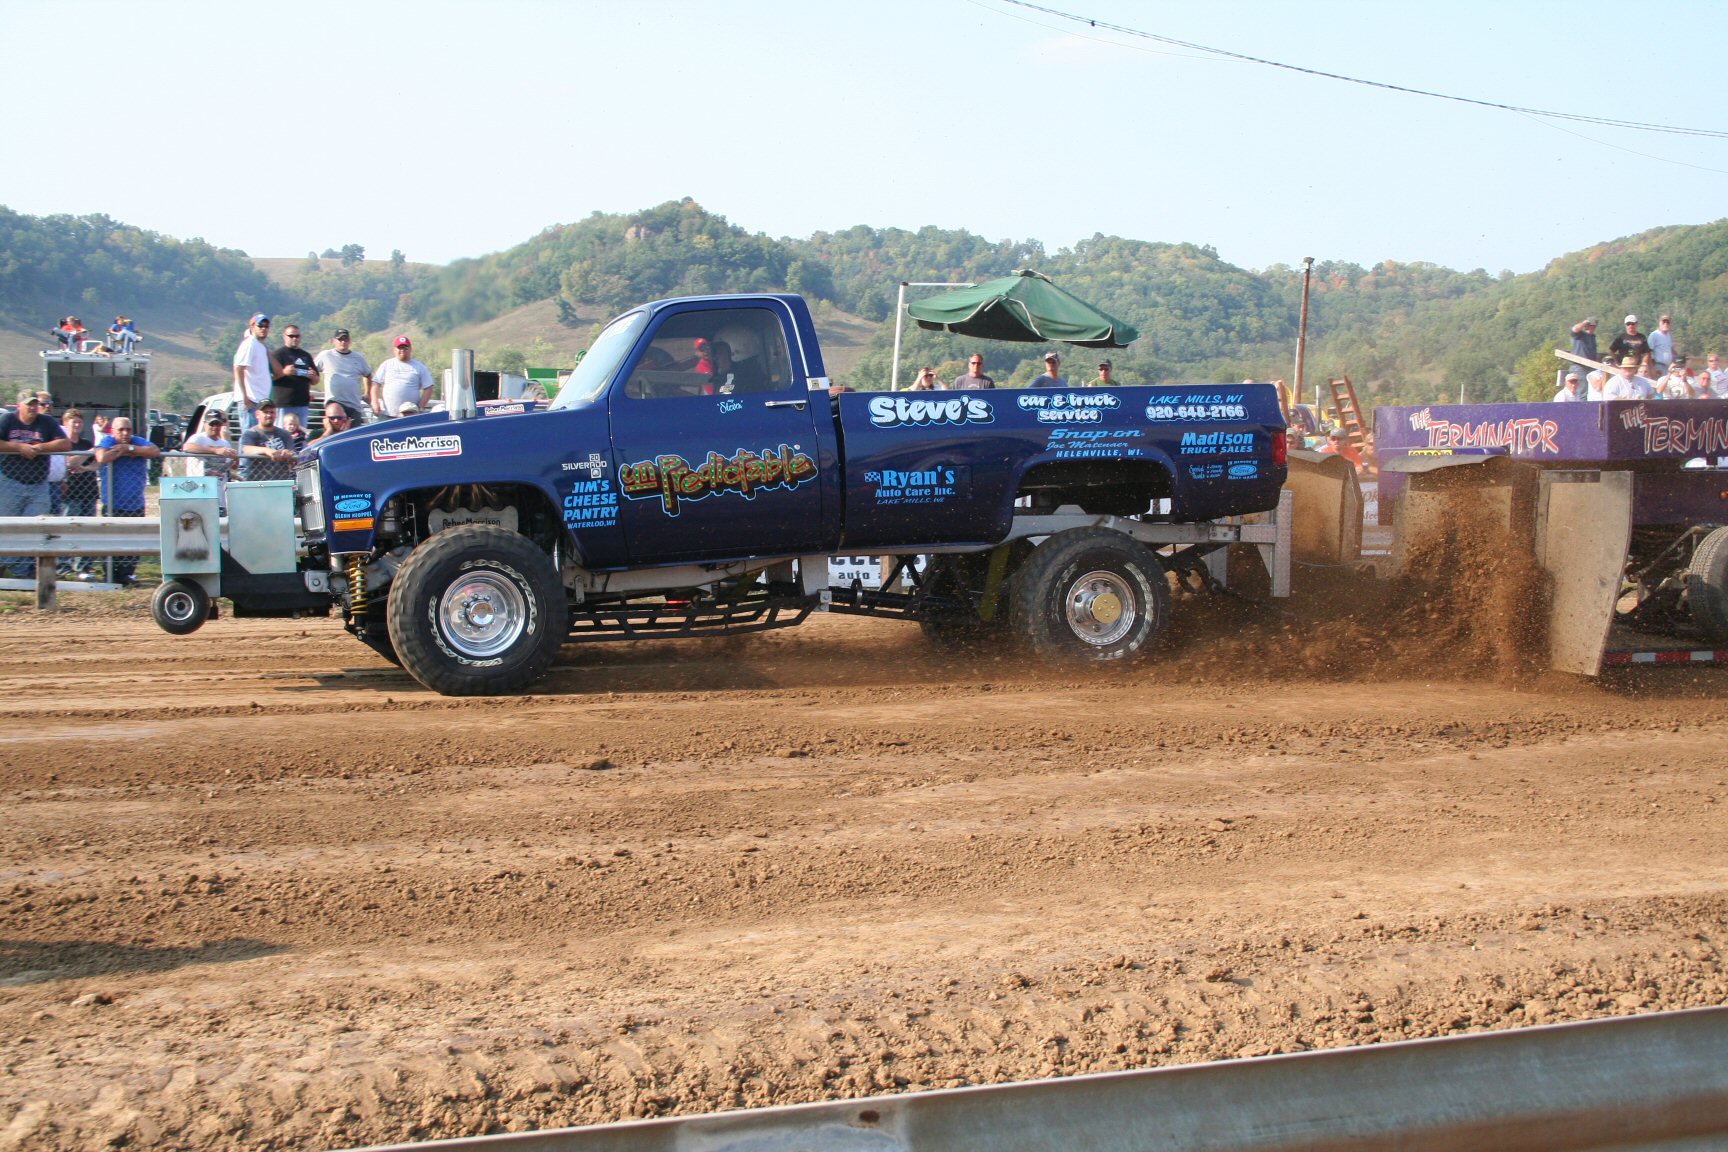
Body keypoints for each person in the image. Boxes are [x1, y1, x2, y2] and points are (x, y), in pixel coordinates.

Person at [0, 390, 71, 578]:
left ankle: (22, 570)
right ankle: (7, 565)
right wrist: (18, 447)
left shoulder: (46, 422)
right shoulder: (7, 420)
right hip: (10, 483)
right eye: (28, 404)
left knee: (33, 527)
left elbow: (65, 444)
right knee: (8, 526)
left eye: (35, 403)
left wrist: (40, 447)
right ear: (19, 406)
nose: (33, 407)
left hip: (38, 484)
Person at [91, 416, 160, 586]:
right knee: (112, 541)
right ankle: (110, 575)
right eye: (121, 430)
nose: (125, 433)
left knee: (134, 542)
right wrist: (122, 451)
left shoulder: (137, 441)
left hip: (136, 503)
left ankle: (127, 575)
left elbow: (154, 451)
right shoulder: (107, 440)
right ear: (113, 431)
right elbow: (101, 457)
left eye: (128, 429)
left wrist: (128, 448)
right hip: (113, 504)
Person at [61, 408, 99, 576]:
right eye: (73, 422)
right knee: (69, 529)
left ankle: (83, 565)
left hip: (89, 490)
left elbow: (97, 463)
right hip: (71, 492)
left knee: (88, 529)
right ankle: (64, 565)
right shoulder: (63, 443)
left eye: (79, 422)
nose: (77, 425)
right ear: (65, 424)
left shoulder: (85, 443)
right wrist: (88, 455)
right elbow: (70, 462)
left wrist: (84, 467)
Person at [178, 409, 238, 512]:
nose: (215, 427)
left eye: (217, 424)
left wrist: (235, 459)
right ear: (205, 424)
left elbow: (230, 467)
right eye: (212, 424)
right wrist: (215, 450)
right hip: (199, 492)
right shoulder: (198, 438)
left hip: (219, 494)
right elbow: (187, 447)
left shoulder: (225, 444)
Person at [314, 328, 371, 423]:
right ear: (334, 341)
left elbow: (368, 374)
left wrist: (367, 393)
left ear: (349, 341)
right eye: (340, 339)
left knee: (353, 434)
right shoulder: (325, 355)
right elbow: (311, 371)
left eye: (346, 339)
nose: (343, 342)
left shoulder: (358, 357)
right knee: (335, 434)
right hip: (334, 404)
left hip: (353, 406)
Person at [270, 323, 319, 429]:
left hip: (302, 404)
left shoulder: (306, 355)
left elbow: (316, 380)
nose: (294, 338)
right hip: (283, 404)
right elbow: (269, 377)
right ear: (284, 336)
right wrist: (284, 372)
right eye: (291, 336)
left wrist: (313, 376)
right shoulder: (278, 355)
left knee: (300, 437)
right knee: (282, 435)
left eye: (297, 336)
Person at [370, 336, 433, 418]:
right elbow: (376, 384)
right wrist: (374, 402)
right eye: (400, 348)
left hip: (410, 415)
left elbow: (429, 387)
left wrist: (420, 407)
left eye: (405, 347)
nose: (402, 350)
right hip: (388, 414)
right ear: (394, 350)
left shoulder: (420, 367)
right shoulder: (386, 364)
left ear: (410, 349)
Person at [232, 312, 273, 431]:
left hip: (259, 401)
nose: (264, 329)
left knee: (257, 440)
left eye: (266, 326)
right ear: (252, 327)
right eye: (260, 326)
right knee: (249, 439)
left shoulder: (260, 346)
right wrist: (245, 396)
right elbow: (239, 368)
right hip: (251, 401)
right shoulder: (249, 344)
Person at [239, 400, 297, 481]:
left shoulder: (285, 434)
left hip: (281, 481)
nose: (269, 415)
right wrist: (267, 451)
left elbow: (292, 453)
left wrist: (289, 454)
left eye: (272, 412)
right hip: (257, 483)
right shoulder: (250, 433)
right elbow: (246, 449)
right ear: (257, 414)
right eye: (265, 412)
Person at [35, 392, 67, 516]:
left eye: (50, 403)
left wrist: (64, 478)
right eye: (43, 404)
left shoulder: (59, 429)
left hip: (56, 482)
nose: (47, 406)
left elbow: (63, 455)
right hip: (40, 483)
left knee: (55, 517)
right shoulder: (33, 429)